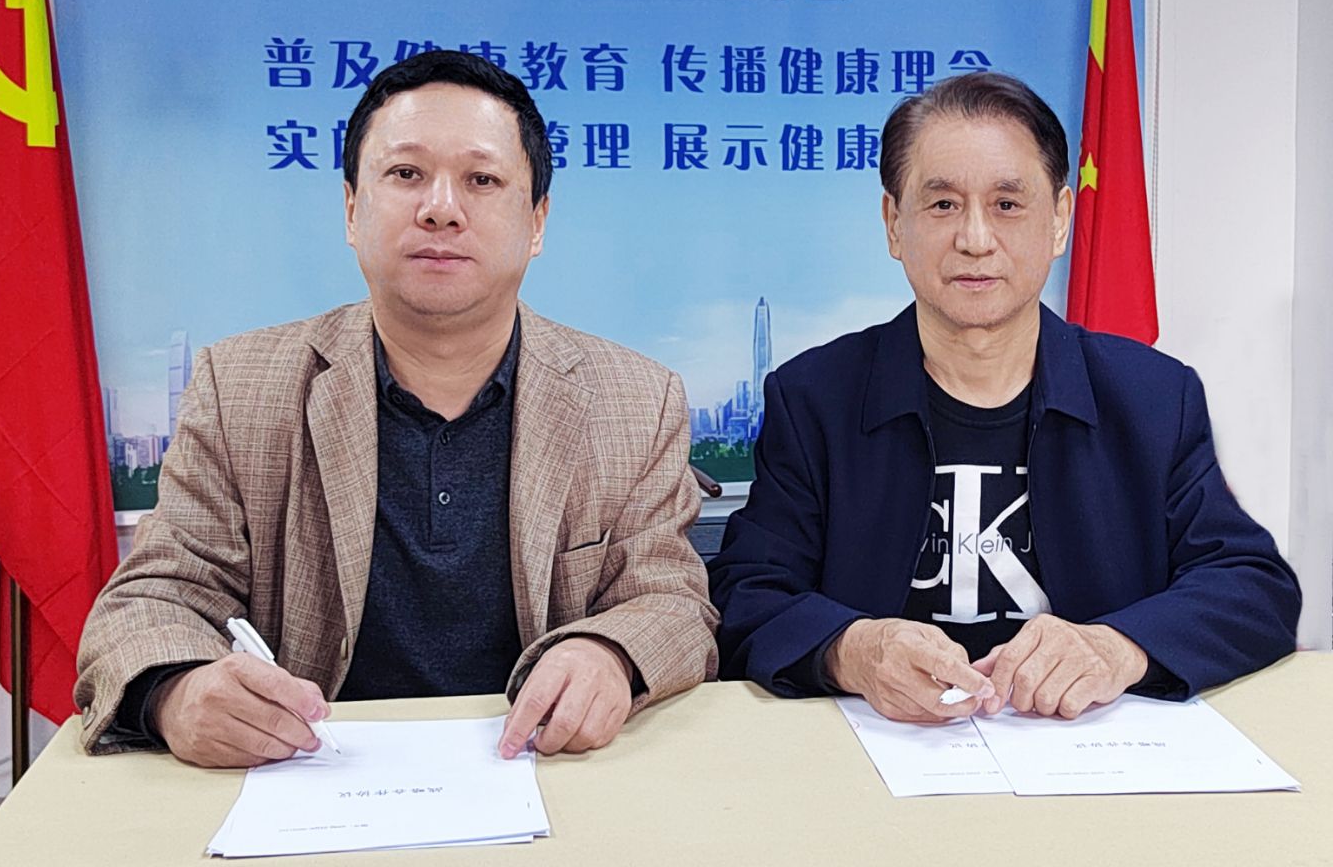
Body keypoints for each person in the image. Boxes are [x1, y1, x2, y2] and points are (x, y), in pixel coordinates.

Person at [76, 51, 718, 766]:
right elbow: (153, 596)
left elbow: (673, 602)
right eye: (406, 174)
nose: (441, 208)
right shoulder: (242, 386)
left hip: (542, 770)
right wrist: (177, 691)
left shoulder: (635, 399)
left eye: (481, 180)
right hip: (308, 780)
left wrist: (609, 652)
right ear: (352, 209)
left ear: (537, 222)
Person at [708, 71, 1299, 724]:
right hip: (879, 753)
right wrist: (855, 650)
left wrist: (1116, 647)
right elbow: (746, 595)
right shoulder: (815, 398)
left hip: (1090, 758)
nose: (975, 239)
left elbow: (1252, 586)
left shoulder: (1153, 398)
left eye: (1008, 204)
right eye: (942, 204)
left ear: (1060, 220)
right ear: (894, 224)